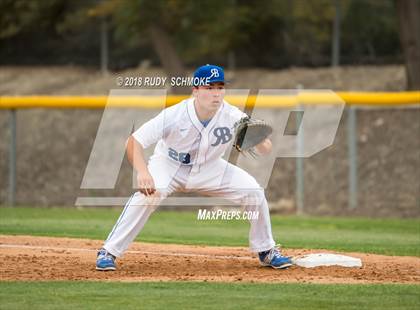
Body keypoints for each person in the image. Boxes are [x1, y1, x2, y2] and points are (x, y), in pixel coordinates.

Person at [96, 64, 292, 271]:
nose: (216, 93)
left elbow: (266, 150)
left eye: (220, 87)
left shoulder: (233, 116)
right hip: (168, 164)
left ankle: (266, 250)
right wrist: (143, 172)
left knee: (253, 191)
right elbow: (134, 141)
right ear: (196, 90)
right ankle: (108, 251)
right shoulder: (175, 114)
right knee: (148, 195)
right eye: (209, 88)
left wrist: (258, 139)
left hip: (210, 167)